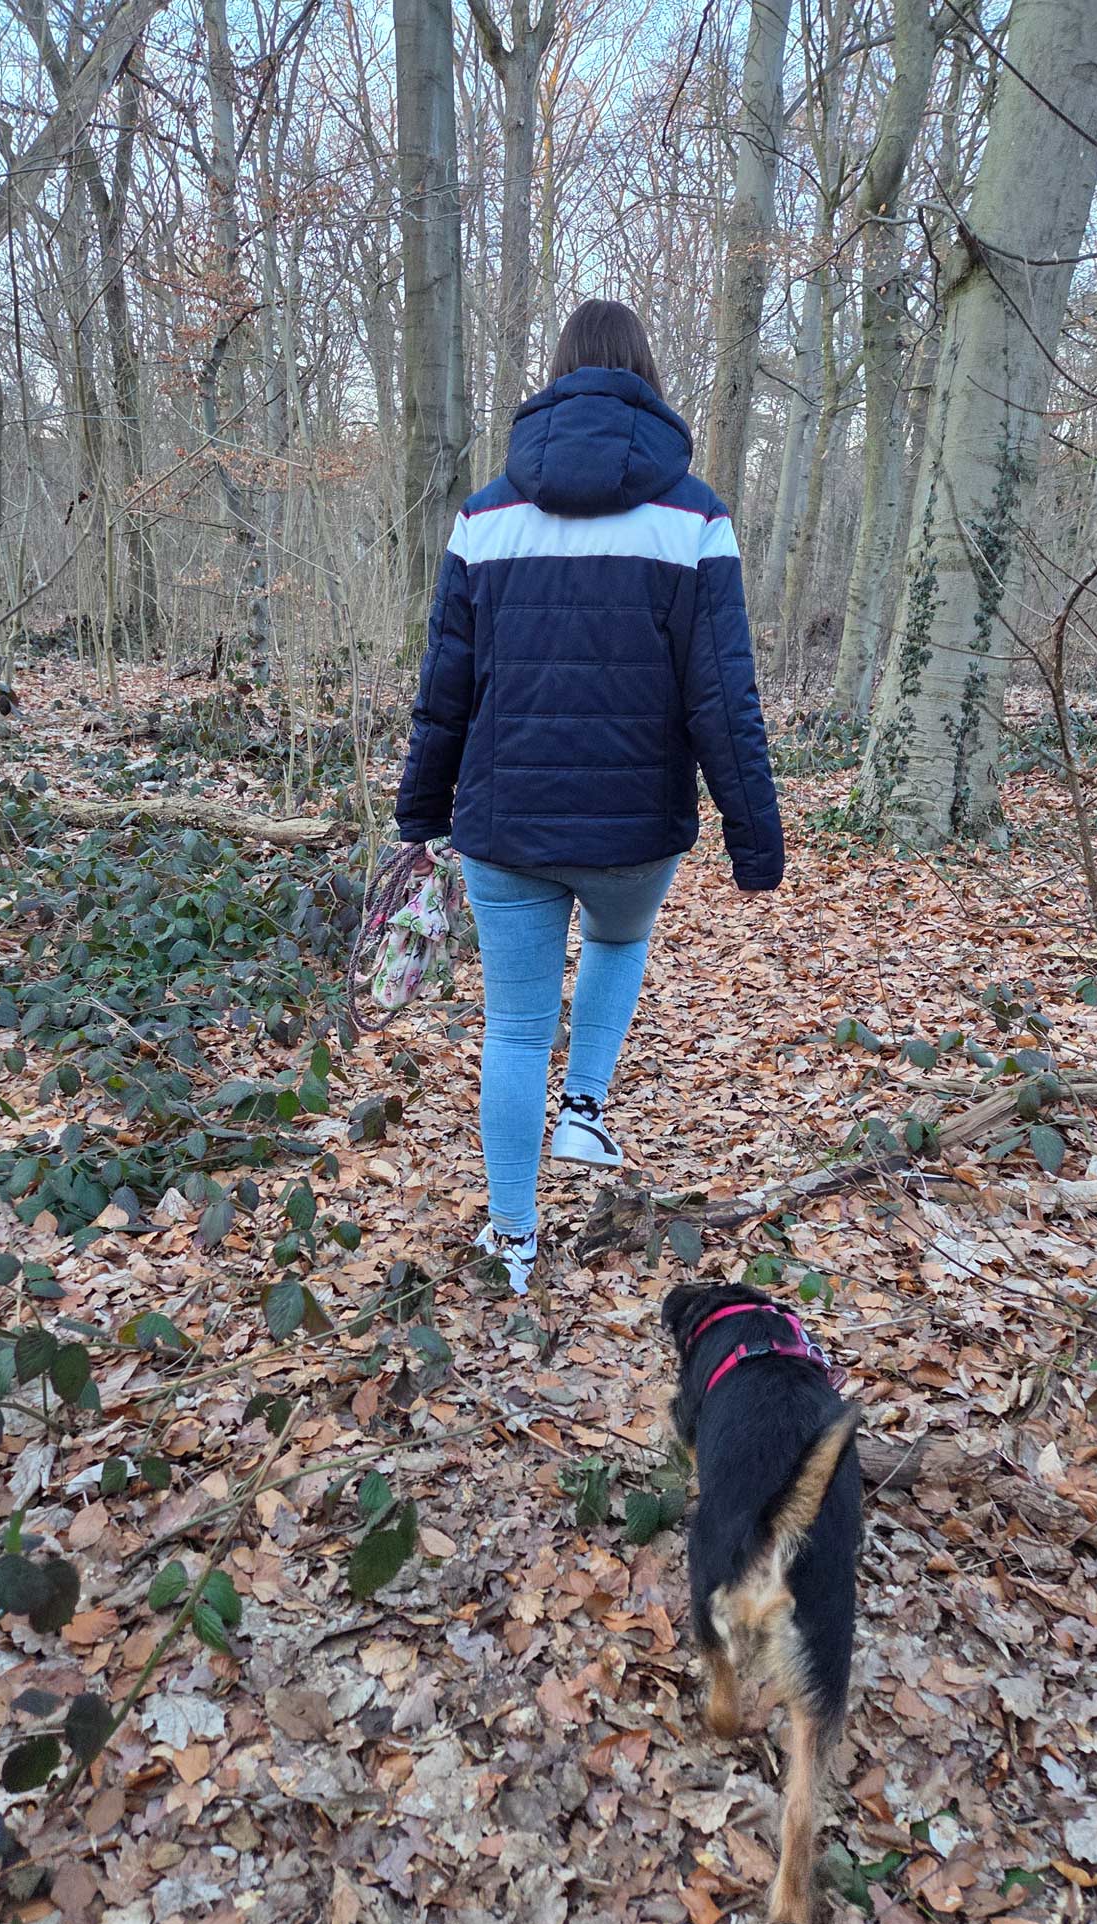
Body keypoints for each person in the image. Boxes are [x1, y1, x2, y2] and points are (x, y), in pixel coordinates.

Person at [395, 299, 784, 1293]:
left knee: (514, 1028)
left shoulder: (486, 516)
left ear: (556, 379)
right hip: (636, 828)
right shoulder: (694, 517)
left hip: (504, 824)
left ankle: (513, 1240)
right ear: (647, 379)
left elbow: (445, 685)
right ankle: (585, 1109)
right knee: (618, 936)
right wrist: (754, 839)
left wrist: (420, 813)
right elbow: (723, 696)